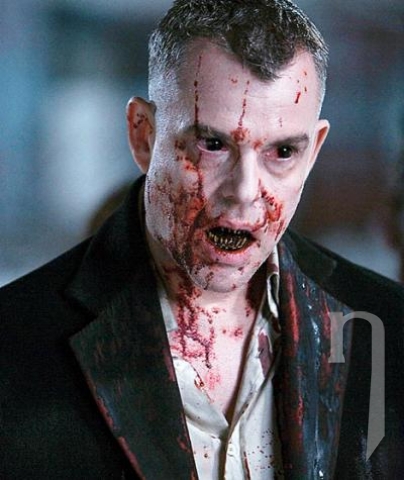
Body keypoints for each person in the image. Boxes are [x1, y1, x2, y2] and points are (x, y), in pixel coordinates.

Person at [1, 1, 403, 478]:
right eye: (213, 145)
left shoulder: (386, 329)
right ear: (143, 136)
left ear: (313, 151)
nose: (245, 192)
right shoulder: (16, 346)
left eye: (282, 152)